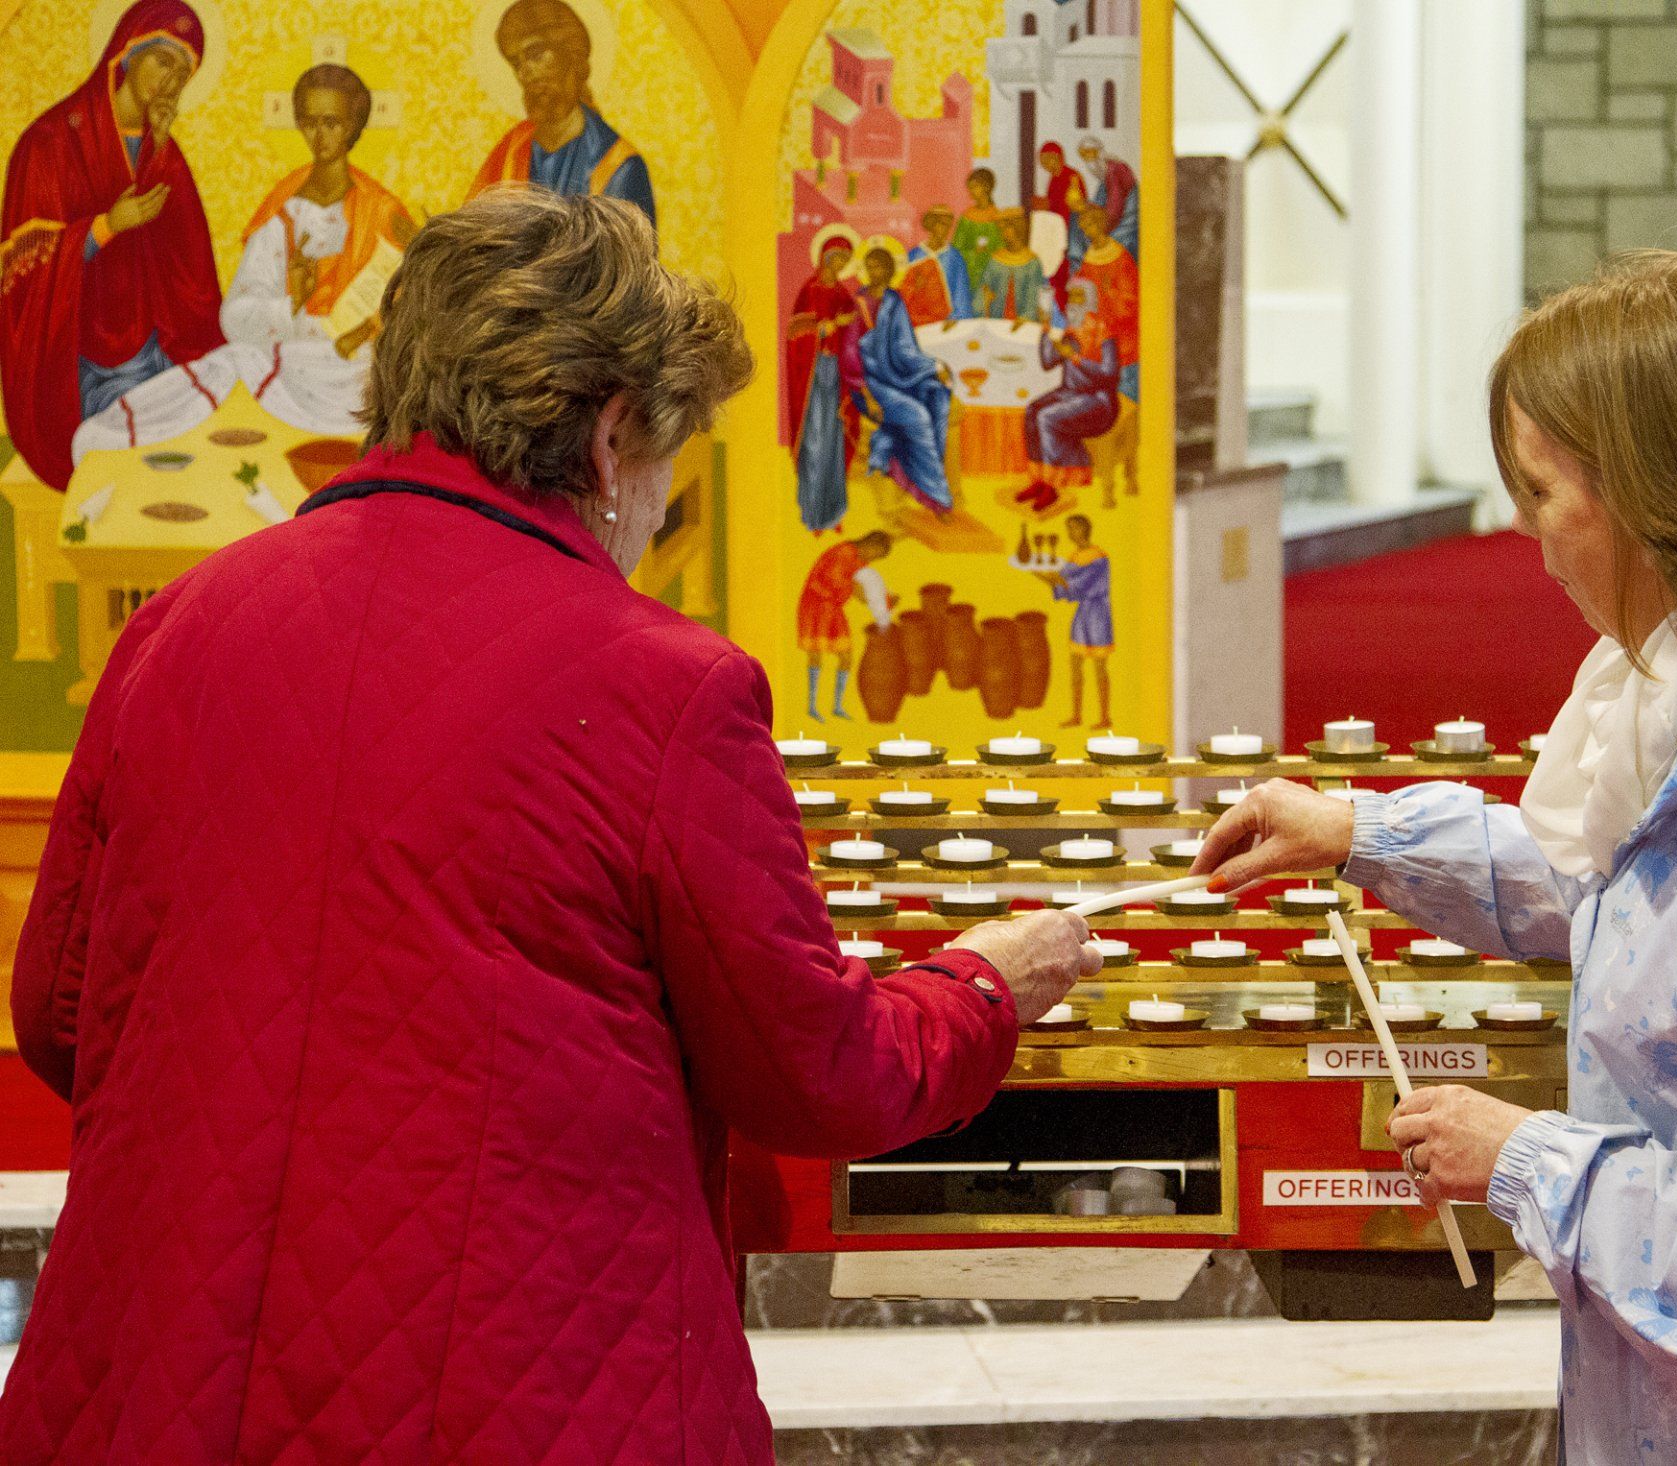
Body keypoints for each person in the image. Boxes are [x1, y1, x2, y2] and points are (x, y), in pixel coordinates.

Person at [1, 190, 1100, 1466]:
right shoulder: (662, 684)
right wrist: (983, 985)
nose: (656, 513)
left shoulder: (177, 628)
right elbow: (819, 1068)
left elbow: (63, 1015)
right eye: (668, 465)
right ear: (613, 430)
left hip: (152, 1385)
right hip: (515, 1393)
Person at [1194, 251, 1677, 1462]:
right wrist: (1363, 832)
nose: (1530, 540)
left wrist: (1526, 1157)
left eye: (1543, 493)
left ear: (1658, 496)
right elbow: (1620, 887)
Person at [0, 0, 223, 490]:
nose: (171, 80)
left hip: (153, 348)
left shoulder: (162, 147)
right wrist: (105, 227)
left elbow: (188, 262)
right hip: (80, 359)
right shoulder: (49, 143)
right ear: (127, 52)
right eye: (164, 60)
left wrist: (159, 153)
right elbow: (23, 269)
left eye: (183, 73)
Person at [219, 64, 415, 429]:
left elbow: (415, 301)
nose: (319, 135)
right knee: (229, 362)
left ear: (353, 126)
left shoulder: (382, 210)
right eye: (309, 122)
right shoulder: (282, 212)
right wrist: (292, 301)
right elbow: (234, 317)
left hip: (359, 367)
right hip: (290, 360)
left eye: (332, 122)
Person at [467, 0, 655, 226]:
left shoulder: (617, 165)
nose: (525, 72)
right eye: (517, 63)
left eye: (535, 54)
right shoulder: (510, 151)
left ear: (569, 54)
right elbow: (469, 237)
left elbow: (626, 256)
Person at [856, 246, 954, 515]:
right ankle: (934, 495)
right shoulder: (859, 304)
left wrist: (934, 367)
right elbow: (850, 358)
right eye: (871, 266)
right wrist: (869, 397)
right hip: (868, 383)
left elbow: (905, 349)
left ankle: (906, 467)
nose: (876, 272)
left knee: (937, 393)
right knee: (917, 416)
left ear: (890, 271)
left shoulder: (894, 301)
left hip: (898, 375)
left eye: (881, 266)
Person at [785, 225, 863, 533]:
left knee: (834, 442)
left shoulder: (844, 293)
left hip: (836, 376)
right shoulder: (810, 289)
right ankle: (813, 513)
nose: (841, 265)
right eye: (838, 258)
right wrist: (826, 327)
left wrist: (848, 327)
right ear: (826, 257)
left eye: (846, 260)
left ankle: (832, 513)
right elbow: (794, 332)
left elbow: (853, 333)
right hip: (813, 377)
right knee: (815, 441)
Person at [1019, 276, 1120, 513]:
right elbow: (1047, 361)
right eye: (1070, 296)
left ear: (1090, 301)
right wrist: (1044, 328)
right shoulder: (1071, 329)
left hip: (1098, 401)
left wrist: (1075, 358)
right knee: (1032, 410)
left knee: (1047, 417)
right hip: (1071, 394)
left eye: (1078, 297)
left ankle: (1052, 485)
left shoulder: (1103, 332)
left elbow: (1109, 374)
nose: (1072, 302)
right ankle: (1039, 479)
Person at [799, 530, 892, 719]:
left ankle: (837, 706)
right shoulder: (845, 552)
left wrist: (884, 601)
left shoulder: (859, 561)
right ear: (870, 544)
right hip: (816, 604)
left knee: (846, 656)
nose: (874, 559)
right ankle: (811, 705)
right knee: (816, 655)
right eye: (876, 554)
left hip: (833, 607)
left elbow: (861, 589)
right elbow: (840, 582)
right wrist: (870, 595)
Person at [1032, 513, 1112, 728]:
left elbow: (1079, 585)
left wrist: (1055, 579)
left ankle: (1105, 717)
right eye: (1069, 528)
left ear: (1084, 529)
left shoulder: (1099, 557)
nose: (1070, 533)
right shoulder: (1074, 556)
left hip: (1097, 613)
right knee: (1075, 664)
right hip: (1083, 613)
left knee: (1099, 666)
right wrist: (1041, 575)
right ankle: (1077, 716)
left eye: (1073, 528)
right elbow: (1062, 583)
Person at [1072, 200, 1139, 403]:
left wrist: (1108, 295)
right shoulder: (1090, 256)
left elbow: (1130, 300)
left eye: (1089, 226)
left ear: (1100, 224)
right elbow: (1082, 288)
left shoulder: (1120, 256)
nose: (1087, 232)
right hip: (1095, 331)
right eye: (1083, 228)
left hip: (1119, 335)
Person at [1033, 140, 1087, 310]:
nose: (1045, 164)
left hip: (1071, 233)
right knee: (1054, 276)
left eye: (1048, 159)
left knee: (1065, 276)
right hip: (1056, 233)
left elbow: (1076, 206)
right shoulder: (1053, 178)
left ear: (1058, 158)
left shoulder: (1072, 176)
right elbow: (1054, 205)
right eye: (1042, 161)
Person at [975, 208, 1049, 325]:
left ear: (1017, 228)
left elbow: (1033, 296)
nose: (1003, 233)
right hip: (996, 322)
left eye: (1006, 228)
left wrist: (1026, 318)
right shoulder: (995, 260)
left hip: (1023, 325)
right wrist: (983, 303)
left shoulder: (1032, 262)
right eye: (1001, 229)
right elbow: (983, 288)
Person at [905, 204, 972, 321]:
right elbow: (904, 291)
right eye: (942, 224)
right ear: (931, 225)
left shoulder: (955, 257)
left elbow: (961, 294)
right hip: (918, 321)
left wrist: (956, 317)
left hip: (947, 322)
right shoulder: (914, 255)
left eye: (948, 225)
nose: (945, 229)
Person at [1077, 135, 1138, 257]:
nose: (1088, 159)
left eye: (1090, 153)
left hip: (1125, 226)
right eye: (1084, 156)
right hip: (1114, 221)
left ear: (1098, 153)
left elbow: (1114, 209)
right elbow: (1101, 204)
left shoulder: (1114, 171)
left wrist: (1100, 228)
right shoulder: (1106, 174)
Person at [952, 165, 1003, 296]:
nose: (970, 191)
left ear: (986, 187)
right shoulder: (966, 217)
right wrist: (974, 253)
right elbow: (956, 249)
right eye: (970, 188)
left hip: (992, 278)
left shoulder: (998, 217)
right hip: (968, 276)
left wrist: (988, 252)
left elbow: (1002, 249)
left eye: (974, 187)